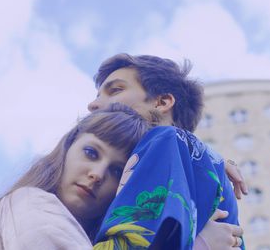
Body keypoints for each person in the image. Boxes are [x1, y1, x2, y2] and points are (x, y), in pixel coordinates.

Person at [88, 54, 245, 249]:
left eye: (115, 90)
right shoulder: (203, 162)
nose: (92, 105)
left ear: (162, 102)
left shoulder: (164, 140)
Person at [0, 104, 152, 249]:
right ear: (68, 147)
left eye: (117, 171)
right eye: (91, 153)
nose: (97, 174)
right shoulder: (30, 203)